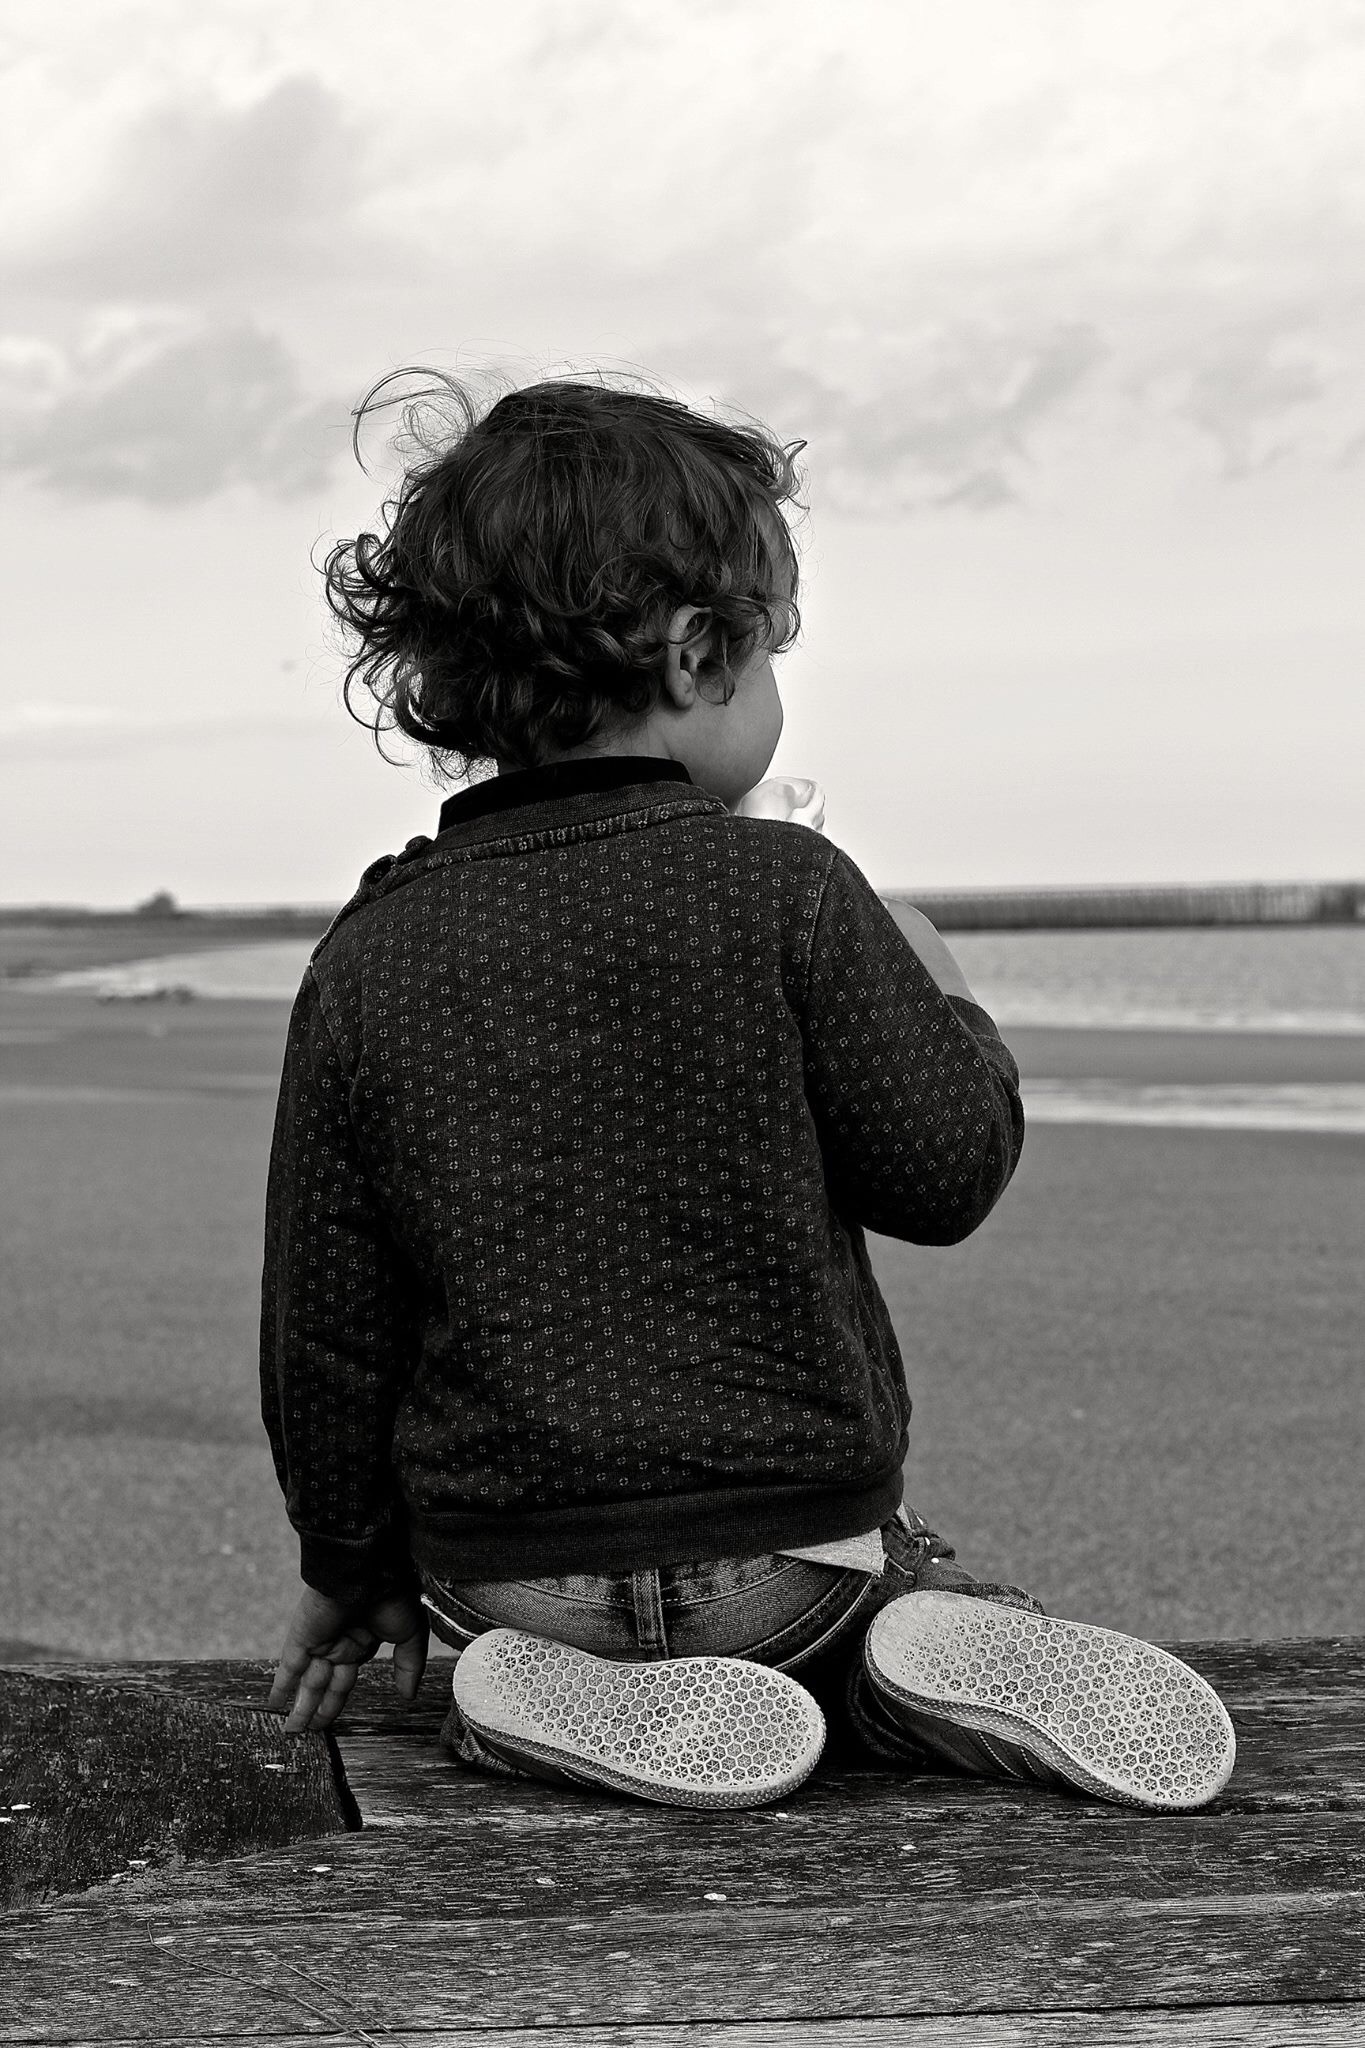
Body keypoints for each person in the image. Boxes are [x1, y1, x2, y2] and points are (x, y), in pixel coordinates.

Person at [262, 368, 1235, 1813]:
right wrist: (940, 982)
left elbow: (328, 1328)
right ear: (697, 654)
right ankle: (891, 1660)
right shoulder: (790, 890)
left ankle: (520, 1692)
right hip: (788, 1565)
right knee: (871, 1595)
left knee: (512, 1638)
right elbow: (945, 1173)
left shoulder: (370, 952)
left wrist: (349, 1568)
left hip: (507, 1569)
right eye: (774, 653)